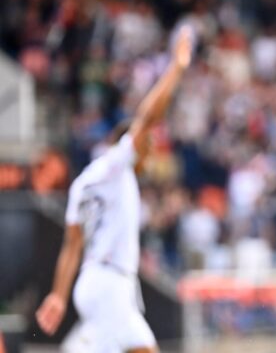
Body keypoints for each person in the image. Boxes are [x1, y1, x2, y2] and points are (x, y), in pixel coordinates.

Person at [35, 28, 194, 353]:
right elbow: (147, 118)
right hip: (109, 284)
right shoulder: (116, 165)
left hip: (94, 282)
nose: (148, 155)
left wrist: (58, 295)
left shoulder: (84, 181)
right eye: (146, 147)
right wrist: (176, 66)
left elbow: (71, 245)